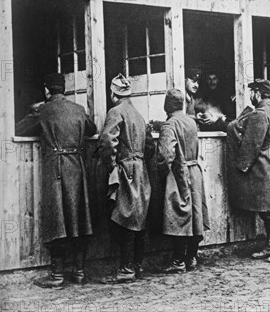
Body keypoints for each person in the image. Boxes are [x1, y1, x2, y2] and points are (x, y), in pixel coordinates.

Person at [16, 73, 97, 288]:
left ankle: (57, 276)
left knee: (56, 220)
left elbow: (18, 130)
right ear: (64, 89)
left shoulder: (42, 111)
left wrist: (33, 110)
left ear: (46, 90)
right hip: (78, 168)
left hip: (56, 171)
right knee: (79, 219)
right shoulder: (79, 109)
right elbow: (93, 130)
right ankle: (79, 273)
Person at [227, 79, 270, 262]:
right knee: (267, 206)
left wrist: (242, 165)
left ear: (257, 93)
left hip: (264, 163)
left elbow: (252, 143)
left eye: (251, 92)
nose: (250, 96)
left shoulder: (259, 114)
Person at [99, 74, 155, 282]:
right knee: (138, 217)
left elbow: (107, 141)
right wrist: (139, 160)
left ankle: (126, 268)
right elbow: (150, 146)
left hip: (126, 170)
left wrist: (112, 165)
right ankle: (137, 265)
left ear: (113, 94)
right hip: (141, 171)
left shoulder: (116, 112)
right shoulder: (138, 115)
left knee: (125, 218)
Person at [156, 89, 210, 273]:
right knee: (195, 215)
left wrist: (161, 173)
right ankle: (192, 257)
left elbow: (165, 155)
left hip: (179, 173)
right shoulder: (191, 122)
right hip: (194, 171)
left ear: (166, 106)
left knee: (178, 215)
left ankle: (178, 260)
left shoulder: (169, 125)